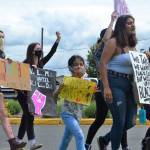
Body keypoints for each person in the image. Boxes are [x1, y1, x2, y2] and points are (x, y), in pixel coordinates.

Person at [85, 12, 129, 150]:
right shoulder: (100, 51)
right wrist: (112, 20)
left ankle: (124, 146)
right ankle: (87, 144)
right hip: (104, 87)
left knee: (121, 118)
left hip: (118, 87)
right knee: (100, 119)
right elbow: (105, 39)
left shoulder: (119, 51)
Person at [16, 32, 61, 150]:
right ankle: (32, 143)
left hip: (33, 94)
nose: (40, 50)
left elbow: (52, 53)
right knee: (29, 117)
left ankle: (17, 142)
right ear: (32, 51)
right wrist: (31, 70)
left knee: (25, 118)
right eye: (37, 49)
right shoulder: (25, 63)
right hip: (23, 94)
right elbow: (19, 79)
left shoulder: (41, 63)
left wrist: (57, 40)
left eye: (40, 49)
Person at [99, 15, 137, 150]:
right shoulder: (113, 42)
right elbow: (103, 63)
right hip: (114, 82)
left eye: (133, 23)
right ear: (121, 26)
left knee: (131, 121)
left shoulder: (133, 46)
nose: (132, 25)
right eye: (129, 23)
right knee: (119, 122)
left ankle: (105, 139)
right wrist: (106, 87)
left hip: (128, 85)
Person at [0, 30, 26, 150]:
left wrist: (9, 65)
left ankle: (12, 142)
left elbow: (6, 74)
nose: (1, 39)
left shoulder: (2, 54)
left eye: (3, 37)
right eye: (0, 37)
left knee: (3, 114)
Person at [55, 55, 87, 150]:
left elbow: (86, 100)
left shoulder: (86, 82)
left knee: (66, 140)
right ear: (70, 68)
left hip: (77, 115)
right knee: (79, 135)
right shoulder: (67, 81)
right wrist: (60, 88)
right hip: (67, 114)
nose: (79, 66)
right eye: (76, 64)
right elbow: (54, 97)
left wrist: (92, 91)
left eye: (81, 64)